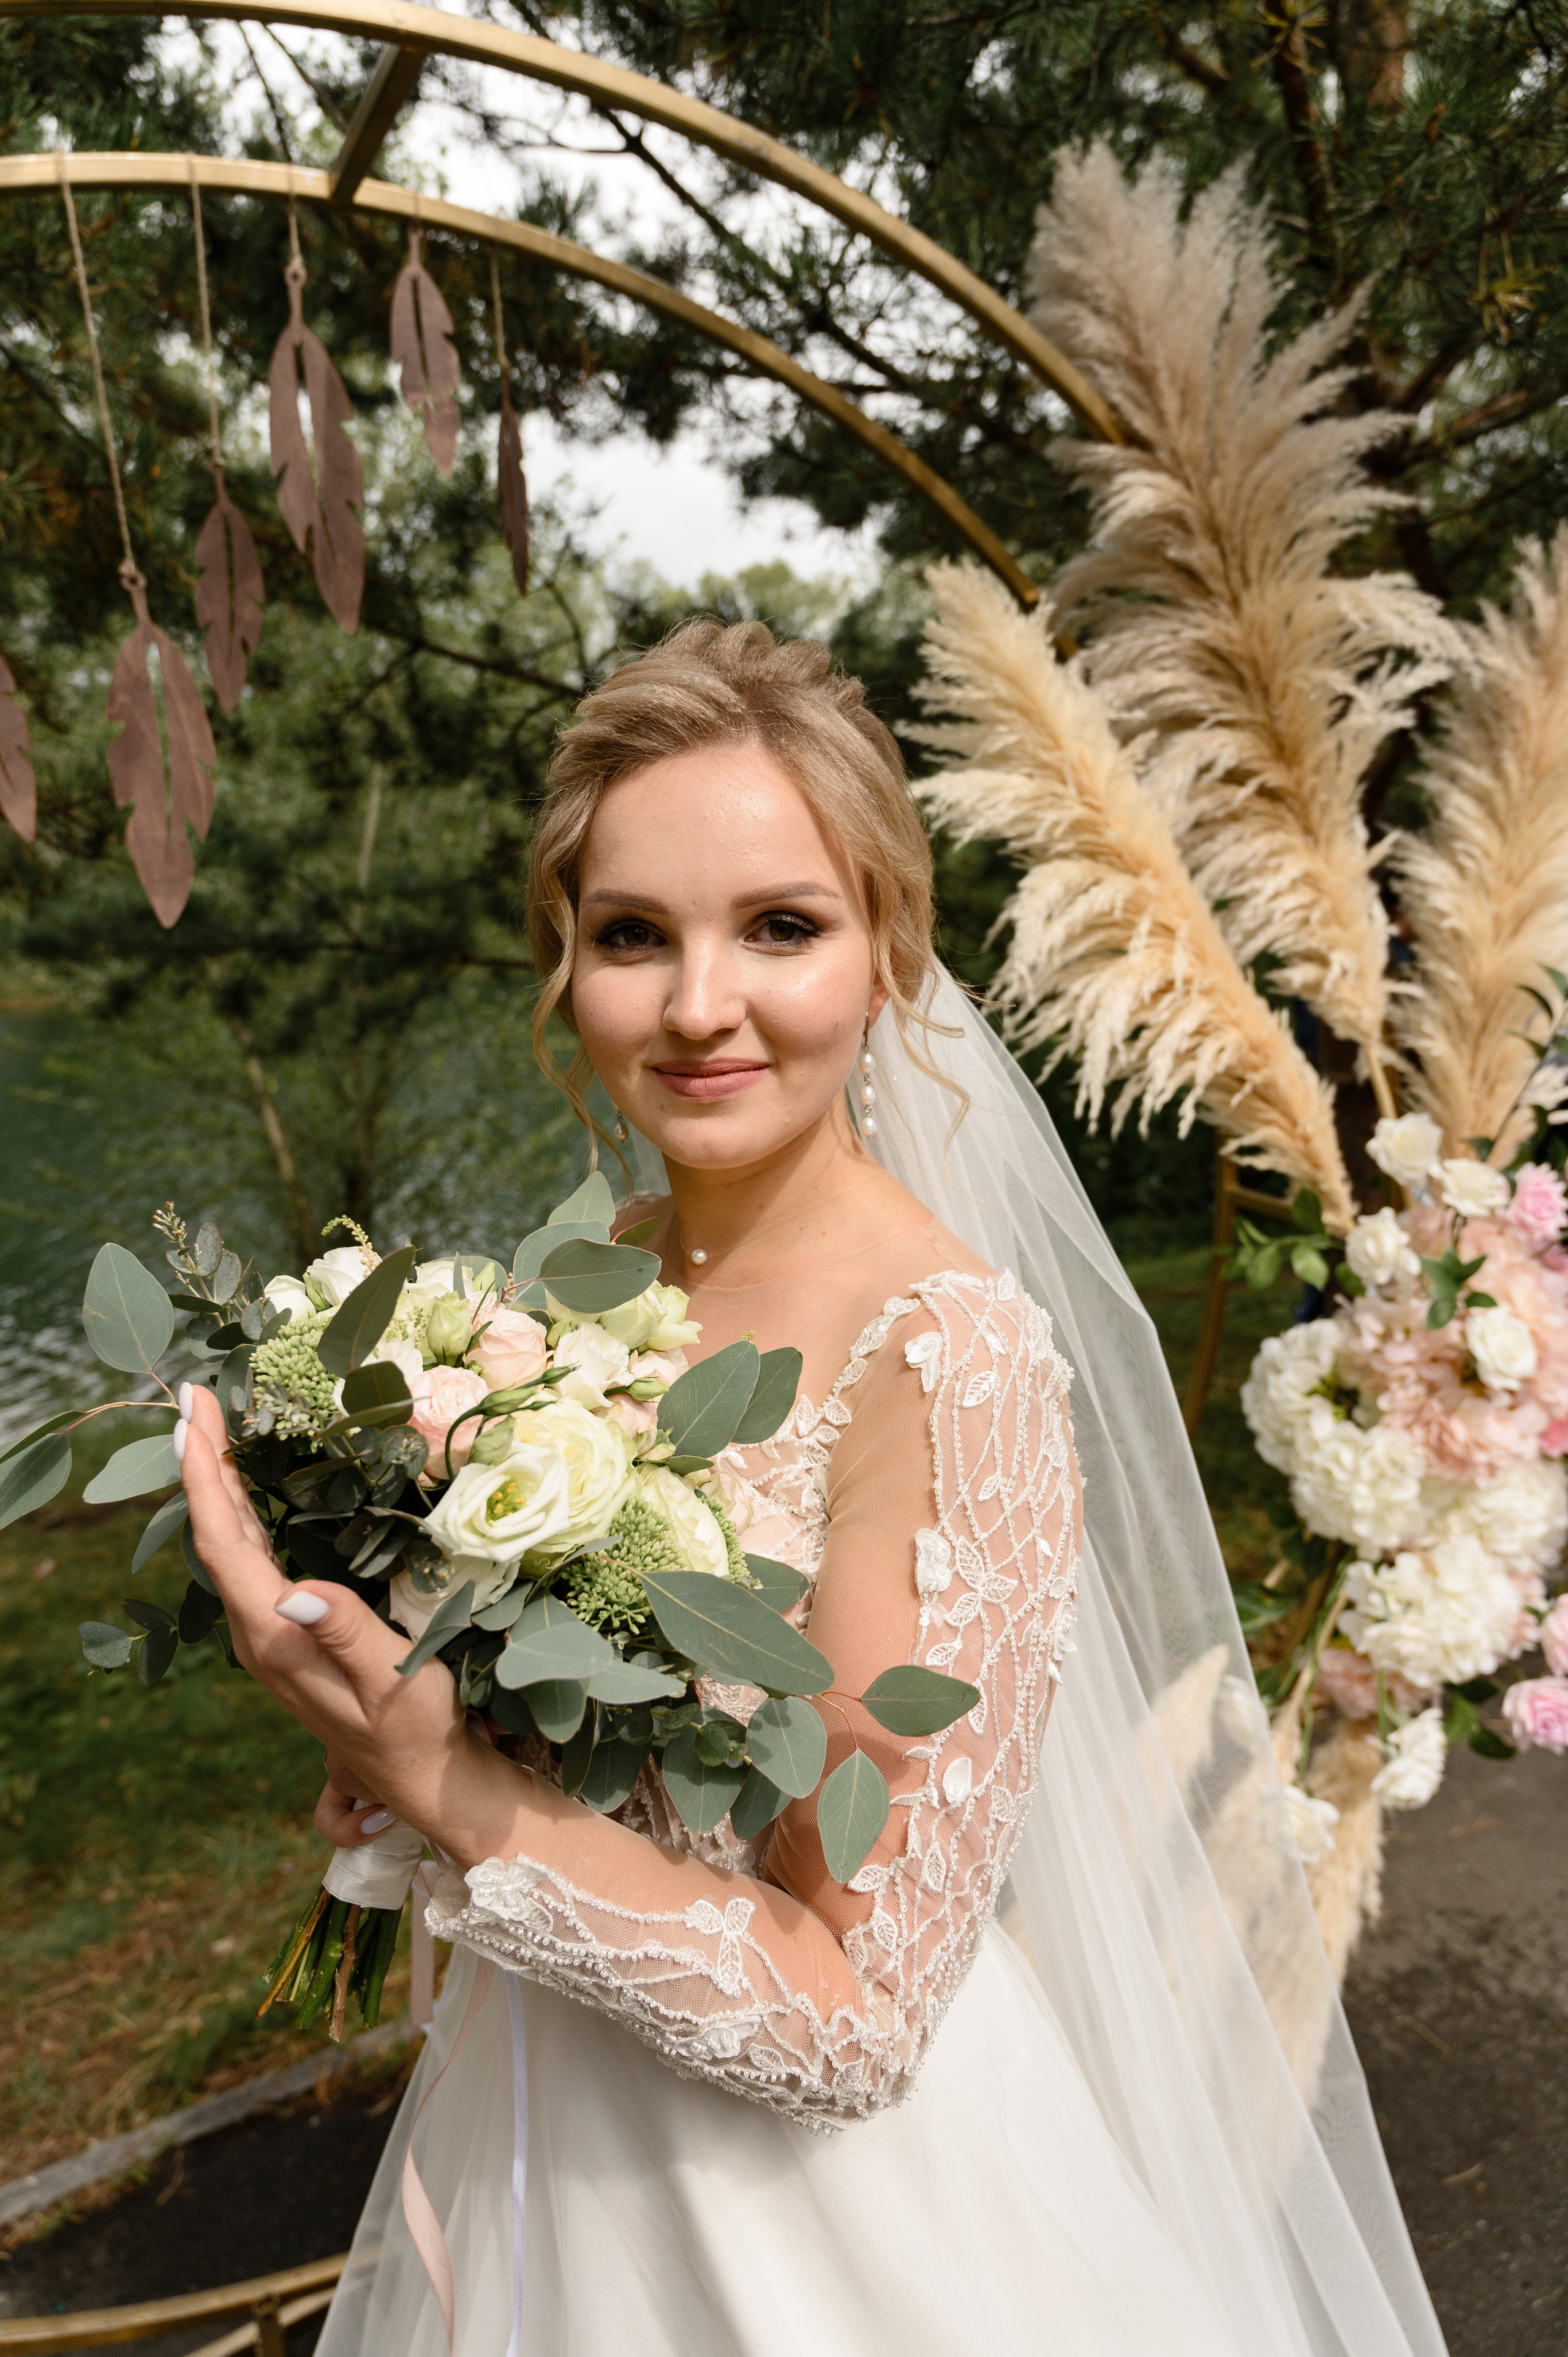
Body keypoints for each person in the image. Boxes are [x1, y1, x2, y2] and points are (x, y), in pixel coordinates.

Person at [173, 621, 1448, 2356]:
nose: (701, 1006)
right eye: (634, 936)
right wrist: (390, 1739)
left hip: (822, 2249)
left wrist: (460, 1792)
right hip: (543, 2142)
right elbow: (587, 1741)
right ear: (566, 962)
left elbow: (850, 2021)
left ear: (887, 948)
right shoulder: (575, 1295)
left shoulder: (946, 1363)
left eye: (782, 925)